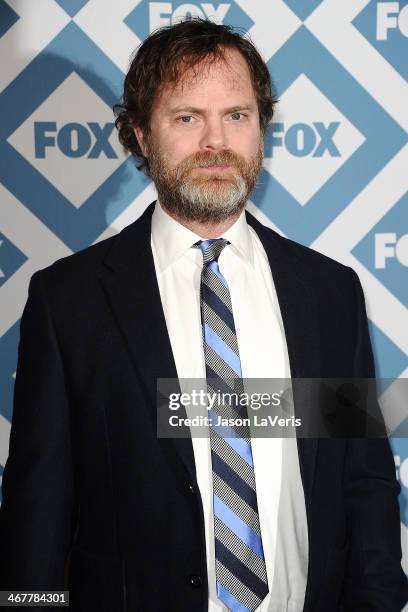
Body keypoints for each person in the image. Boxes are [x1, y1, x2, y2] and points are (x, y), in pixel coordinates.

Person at [0, 17, 407, 612]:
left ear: (262, 128)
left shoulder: (328, 292)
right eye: (187, 117)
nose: (216, 141)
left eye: (237, 116)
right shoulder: (70, 301)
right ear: (140, 133)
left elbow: (360, 477)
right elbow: (37, 508)